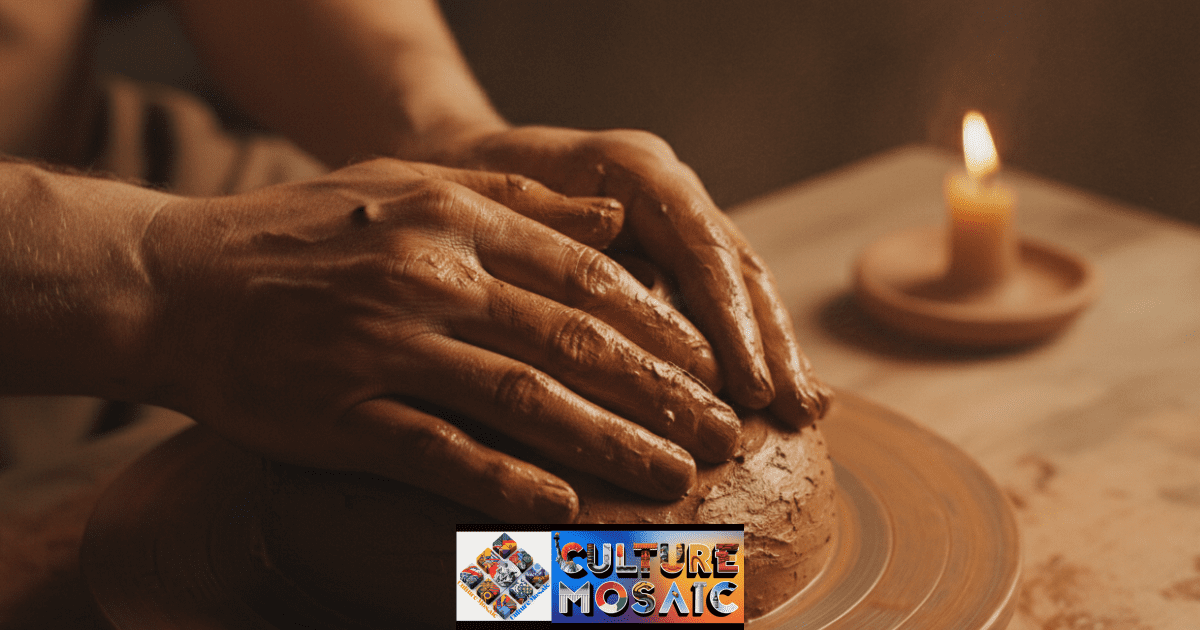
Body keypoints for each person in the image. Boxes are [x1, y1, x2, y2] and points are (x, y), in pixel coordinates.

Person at [0, 0, 830, 524]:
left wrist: (443, 136)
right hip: (82, 278)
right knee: (403, 562)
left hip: (140, 178)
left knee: (686, 550)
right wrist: (165, 281)